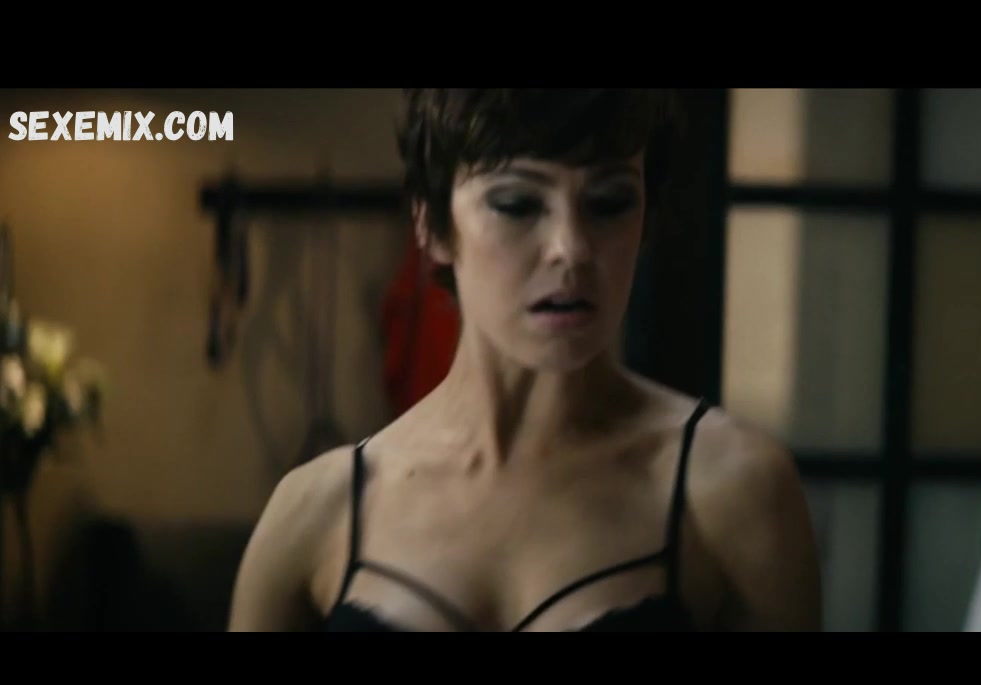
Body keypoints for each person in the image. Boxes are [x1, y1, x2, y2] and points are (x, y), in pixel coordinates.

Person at [227, 89, 822, 632]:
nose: (571, 248)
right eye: (516, 204)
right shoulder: (318, 512)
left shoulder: (732, 490)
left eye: (610, 202)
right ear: (433, 226)